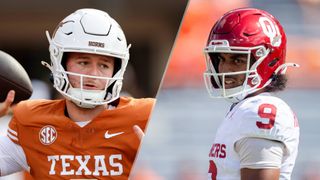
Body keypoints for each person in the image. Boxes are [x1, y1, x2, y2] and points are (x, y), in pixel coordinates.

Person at [0, 8, 152, 179]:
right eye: (83, 62)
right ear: (60, 63)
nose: (93, 74)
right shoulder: (31, 123)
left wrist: (157, 164)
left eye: (104, 65)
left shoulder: (144, 118)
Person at [203, 8, 300, 179]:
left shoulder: (258, 111)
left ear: (267, 61)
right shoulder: (243, 108)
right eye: (221, 59)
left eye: (237, 60)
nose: (225, 69)